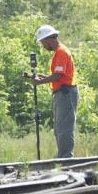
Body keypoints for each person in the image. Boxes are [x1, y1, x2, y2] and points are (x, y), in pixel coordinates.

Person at [30, 25, 79, 158]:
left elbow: (58, 76)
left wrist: (39, 82)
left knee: (64, 129)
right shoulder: (58, 52)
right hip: (63, 93)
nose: (43, 45)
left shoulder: (61, 52)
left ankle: (65, 158)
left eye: (43, 42)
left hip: (66, 94)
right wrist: (43, 76)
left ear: (49, 39)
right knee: (59, 129)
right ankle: (63, 156)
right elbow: (59, 76)